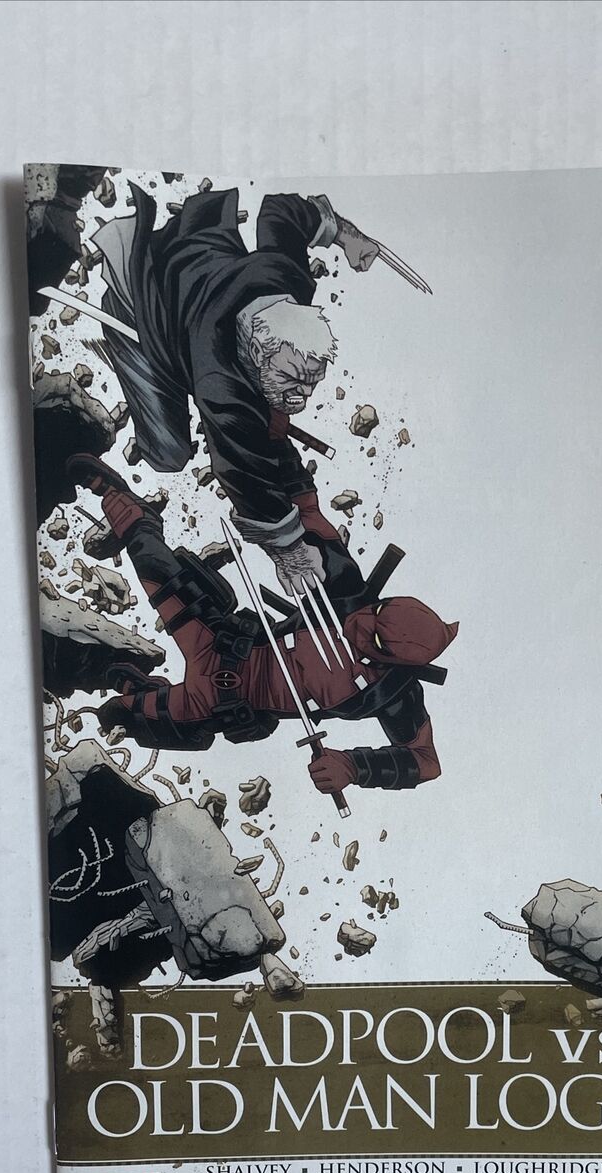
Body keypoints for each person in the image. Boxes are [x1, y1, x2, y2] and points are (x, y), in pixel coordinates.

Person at [69, 454, 456, 795]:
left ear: (396, 662)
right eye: (378, 610)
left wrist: (353, 768)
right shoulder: (348, 591)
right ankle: (119, 499)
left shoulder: (394, 694)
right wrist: (274, 438)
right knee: (157, 569)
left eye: (376, 639)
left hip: (222, 703)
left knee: (117, 715)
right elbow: (307, 509)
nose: (362, 623)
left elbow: (426, 762)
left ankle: (141, 689)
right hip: (222, 643)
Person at [93, 185, 382, 596]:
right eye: (293, 380)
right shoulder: (221, 386)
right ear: (259, 351)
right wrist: (289, 550)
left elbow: (282, 211)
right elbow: (241, 473)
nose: (303, 397)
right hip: (145, 303)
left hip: (195, 260)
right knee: (168, 454)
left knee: (269, 413)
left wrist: (347, 236)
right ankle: (124, 354)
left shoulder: (289, 278)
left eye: (310, 383)